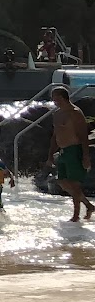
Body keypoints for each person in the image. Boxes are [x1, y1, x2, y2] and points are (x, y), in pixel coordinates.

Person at [50, 85, 90, 223]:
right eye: (53, 98)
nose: (54, 101)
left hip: (74, 149)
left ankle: (76, 215)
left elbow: (83, 135)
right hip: (62, 150)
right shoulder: (57, 114)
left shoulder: (75, 112)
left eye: (56, 98)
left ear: (63, 98)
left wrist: (85, 156)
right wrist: (50, 154)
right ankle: (89, 205)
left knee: (74, 184)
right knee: (62, 182)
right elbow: (55, 135)